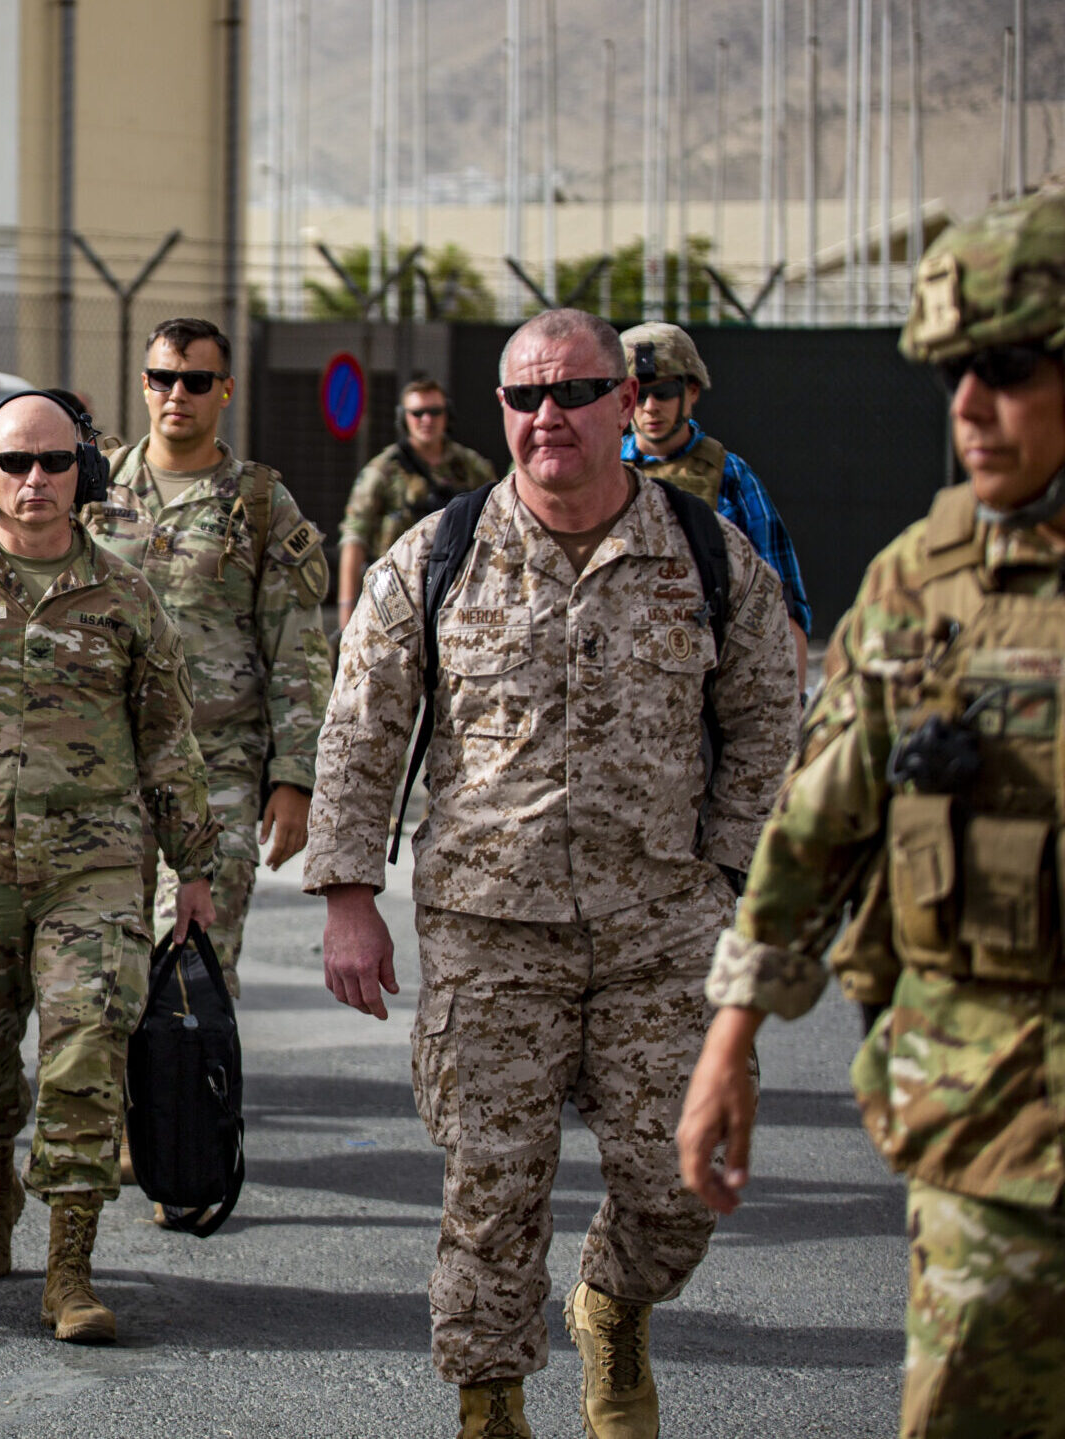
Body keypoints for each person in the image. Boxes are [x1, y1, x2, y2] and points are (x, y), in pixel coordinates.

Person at [304, 308, 800, 1439]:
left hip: (663, 924)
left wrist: (727, 863)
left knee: (680, 1180)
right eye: (524, 397)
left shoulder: (706, 552)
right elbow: (360, 728)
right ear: (502, 412)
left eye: (573, 392)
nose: (547, 418)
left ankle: (613, 1304)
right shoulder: (433, 555)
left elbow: (770, 710)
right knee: (491, 1188)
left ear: (625, 404)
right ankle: (491, 1403)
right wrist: (347, 897)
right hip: (489, 927)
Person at [678, 188, 1065, 1439]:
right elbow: (817, 825)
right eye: (955, 371)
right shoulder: (922, 580)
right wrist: (730, 1036)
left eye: (1006, 368)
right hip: (991, 1119)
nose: (968, 404)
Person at [0, 390, 229, 1346]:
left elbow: (169, 740)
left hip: (99, 870)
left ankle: (71, 1263)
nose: (34, 482)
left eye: (54, 463)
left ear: (87, 473)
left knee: (85, 1057)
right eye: (12, 464)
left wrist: (194, 867)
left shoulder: (126, 596)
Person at [82, 318, 333, 1007]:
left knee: (196, 966)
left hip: (218, 759)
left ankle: (190, 1111)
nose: (177, 394)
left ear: (224, 390)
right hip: (101, 762)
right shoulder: (93, 492)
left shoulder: (258, 503)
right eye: (163, 378)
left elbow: (298, 648)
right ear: (144, 384)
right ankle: (115, 1115)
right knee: (101, 965)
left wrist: (295, 776)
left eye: (196, 381)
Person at [618, 320, 815, 679]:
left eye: (663, 393)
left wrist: (794, 704)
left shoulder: (731, 477)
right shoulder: (605, 472)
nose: (649, 408)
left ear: (691, 391)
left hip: (708, 672)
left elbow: (781, 602)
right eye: (639, 395)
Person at [337, 377, 500, 613]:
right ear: (404, 418)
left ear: (447, 416)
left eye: (435, 412)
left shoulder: (471, 467)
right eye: (418, 413)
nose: (427, 420)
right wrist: (347, 608)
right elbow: (355, 538)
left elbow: (497, 519)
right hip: (396, 592)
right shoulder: (383, 470)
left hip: (457, 588)